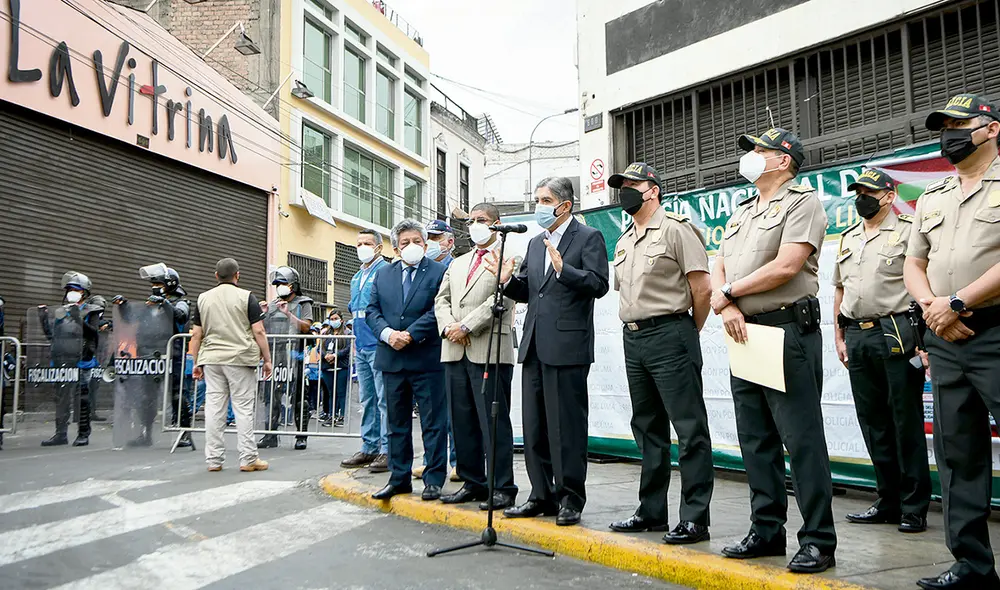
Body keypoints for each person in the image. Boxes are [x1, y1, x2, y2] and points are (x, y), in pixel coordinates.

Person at [710, 128, 835, 573]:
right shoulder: (742, 210)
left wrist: (726, 293)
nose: (751, 158)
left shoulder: (803, 202)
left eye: (760, 151)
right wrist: (726, 303)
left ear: (783, 160)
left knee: (801, 440)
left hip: (785, 331)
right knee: (756, 439)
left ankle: (818, 539)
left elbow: (787, 265)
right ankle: (766, 530)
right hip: (743, 331)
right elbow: (719, 258)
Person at [903, 94, 1000, 590]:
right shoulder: (934, 195)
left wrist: (957, 302)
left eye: (960, 124)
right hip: (944, 334)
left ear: (991, 129)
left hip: (994, 328)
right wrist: (932, 308)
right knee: (957, 453)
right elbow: (913, 263)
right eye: (944, 126)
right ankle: (972, 565)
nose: (949, 134)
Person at [487, 176, 610, 527]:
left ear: (565, 205)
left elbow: (598, 284)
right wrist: (508, 281)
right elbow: (529, 291)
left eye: (545, 199)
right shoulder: (536, 244)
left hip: (568, 347)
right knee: (535, 426)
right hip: (535, 345)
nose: (539, 205)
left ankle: (570, 498)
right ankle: (541, 495)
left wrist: (564, 269)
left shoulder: (588, 237)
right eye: (537, 198)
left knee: (566, 428)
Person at [606, 162, 715, 545]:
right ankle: (652, 511)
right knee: (648, 428)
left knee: (689, 430)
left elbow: (701, 289)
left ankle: (694, 518)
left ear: (652, 190)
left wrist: (687, 332)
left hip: (671, 333)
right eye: (622, 186)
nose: (625, 192)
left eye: (632, 185)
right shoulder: (622, 240)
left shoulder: (676, 229)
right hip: (633, 339)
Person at [832, 169, 931, 534]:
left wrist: (925, 341)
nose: (861, 198)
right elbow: (840, 290)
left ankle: (914, 505)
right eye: (857, 192)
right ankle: (887, 499)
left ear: (888, 196)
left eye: (868, 192)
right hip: (857, 335)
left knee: (904, 421)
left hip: (896, 330)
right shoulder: (848, 237)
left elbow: (924, 280)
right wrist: (839, 336)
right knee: (873, 422)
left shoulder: (908, 231)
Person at [436, 202, 518, 510]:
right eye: (471, 221)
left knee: (493, 422)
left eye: (481, 220)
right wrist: (450, 328)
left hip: (489, 350)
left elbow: (504, 299)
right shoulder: (458, 262)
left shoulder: (509, 257)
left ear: (497, 223)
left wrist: (467, 325)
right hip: (455, 349)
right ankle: (473, 481)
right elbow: (441, 299)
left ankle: (502, 486)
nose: (475, 225)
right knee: (462, 421)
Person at [366, 219, 449, 501]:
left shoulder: (439, 272)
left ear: (425, 244)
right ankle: (399, 478)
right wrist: (389, 334)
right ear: (396, 247)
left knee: (433, 423)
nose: (411, 246)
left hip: (427, 358)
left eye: (416, 241)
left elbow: (439, 308)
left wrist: (410, 334)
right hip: (392, 358)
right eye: (405, 242)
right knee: (396, 424)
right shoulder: (383, 274)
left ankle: (434, 479)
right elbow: (372, 311)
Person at [189, 258, 271, 473]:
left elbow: (196, 334)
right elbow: (259, 331)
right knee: (243, 409)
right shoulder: (247, 297)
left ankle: (214, 460)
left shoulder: (203, 298)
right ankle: (248, 458)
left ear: (216, 276)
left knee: (214, 409)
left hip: (212, 359)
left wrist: (196, 361)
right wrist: (267, 358)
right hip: (240, 358)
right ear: (238, 275)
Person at [117, 266, 195, 448]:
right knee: (146, 397)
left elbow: (181, 316)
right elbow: (132, 320)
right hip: (150, 357)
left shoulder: (180, 302)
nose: (155, 287)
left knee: (177, 394)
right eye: (153, 284)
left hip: (172, 356)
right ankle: (145, 433)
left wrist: (163, 303)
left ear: (169, 285)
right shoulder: (150, 304)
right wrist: (123, 307)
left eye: (158, 283)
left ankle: (185, 434)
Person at [39, 272, 106, 447]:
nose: (71, 292)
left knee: (82, 398)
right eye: (69, 289)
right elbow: (53, 337)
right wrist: (44, 320)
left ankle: (83, 433)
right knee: (61, 397)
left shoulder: (91, 310)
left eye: (75, 289)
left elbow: (93, 333)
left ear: (84, 292)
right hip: (62, 359)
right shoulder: (62, 311)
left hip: (81, 359)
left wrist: (78, 318)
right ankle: (60, 434)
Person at [415, 218, 459, 482]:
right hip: (426, 346)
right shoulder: (422, 268)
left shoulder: (455, 266)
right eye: (427, 238)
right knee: (431, 411)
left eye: (435, 238)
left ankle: (458, 461)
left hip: (449, 342)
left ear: (449, 241)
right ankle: (431, 461)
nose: (430, 243)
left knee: (453, 409)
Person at [342, 229, 390, 473]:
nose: (362, 247)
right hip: (360, 345)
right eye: (359, 243)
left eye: (367, 243)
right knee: (367, 399)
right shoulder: (356, 276)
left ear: (379, 247)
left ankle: (387, 450)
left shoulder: (385, 271)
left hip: (379, 344)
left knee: (384, 400)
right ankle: (369, 446)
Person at [257, 266, 313, 451]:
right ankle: (270, 435)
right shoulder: (273, 304)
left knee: (298, 397)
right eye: (278, 284)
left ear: (293, 285)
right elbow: (263, 329)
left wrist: (288, 313)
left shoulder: (303, 303)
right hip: (276, 354)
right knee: (271, 395)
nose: (280, 287)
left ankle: (301, 436)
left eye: (283, 284)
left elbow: (305, 327)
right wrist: (263, 313)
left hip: (294, 354)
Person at [320, 312, 351, 427]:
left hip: (341, 366)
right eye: (331, 319)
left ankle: (341, 415)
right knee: (330, 392)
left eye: (336, 318)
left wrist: (335, 355)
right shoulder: (326, 333)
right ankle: (331, 415)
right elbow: (320, 348)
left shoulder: (347, 333)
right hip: (327, 367)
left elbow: (347, 348)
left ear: (341, 320)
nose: (334, 321)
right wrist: (326, 356)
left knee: (341, 392)